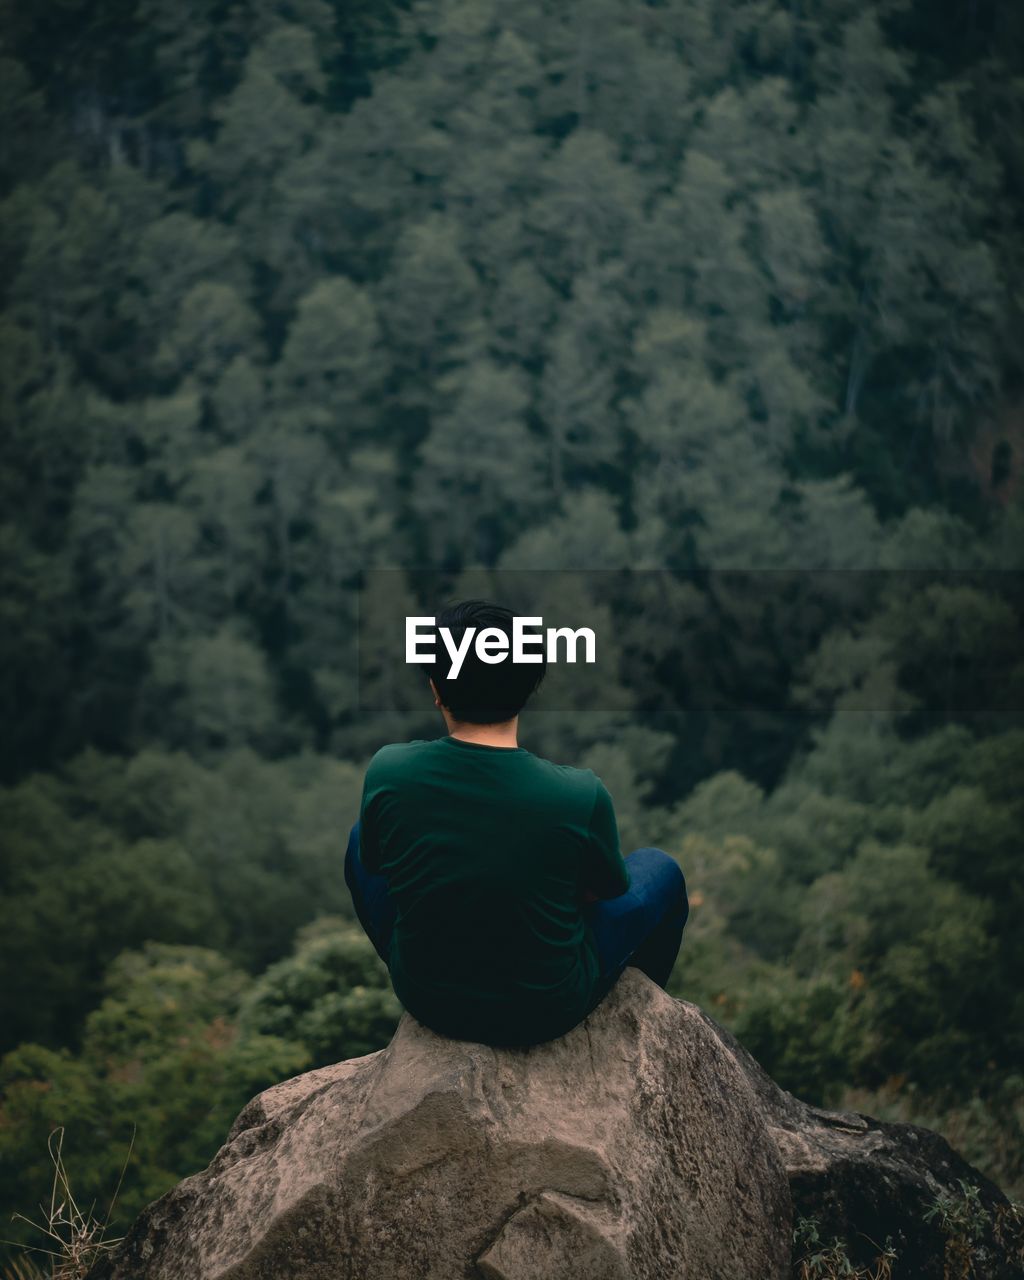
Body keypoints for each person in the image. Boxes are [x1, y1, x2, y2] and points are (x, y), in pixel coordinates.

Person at [344, 599, 688, 1047]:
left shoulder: (389, 769)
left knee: (358, 840)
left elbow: (376, 863)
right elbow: (603, 893)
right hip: (543, 1012)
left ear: (436, 688)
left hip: (429, 997)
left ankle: (428, 959)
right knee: (661, 871)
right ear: (528, 687)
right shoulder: (578, 794)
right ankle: (639, 1018)